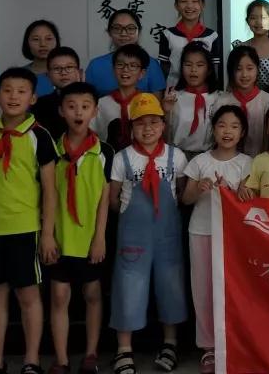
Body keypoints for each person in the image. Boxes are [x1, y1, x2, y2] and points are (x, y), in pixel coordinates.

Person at [0, 67, 59, 374]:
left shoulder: (39, 136)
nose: (13, 96)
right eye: (7, 90)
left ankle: (32, 360)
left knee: (28, 295)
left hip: (24, 229)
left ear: (33, 98)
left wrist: (48, 233)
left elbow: (50, 190)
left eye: (21, 91)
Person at [109, 93, 188, 374]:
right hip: (133, 237)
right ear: (131, 127)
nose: (148, 128)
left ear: (163, 125)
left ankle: (170, 344)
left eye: (154, 122)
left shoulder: (176, 156)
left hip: (167, 234)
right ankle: (124, 349)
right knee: (128, 287)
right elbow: (113, 199)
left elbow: (181, 194)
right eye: (141, 123)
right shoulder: (122, 158)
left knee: (171, 286)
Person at [181, 106, 252, 374]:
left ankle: (233, 342)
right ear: (213, 129)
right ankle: (209, 347)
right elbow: (185, 199)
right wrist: (199, 189)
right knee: (203, 290)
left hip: (235, 236)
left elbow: (250, 200)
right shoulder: (199, 162)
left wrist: (234, 191)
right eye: (222, 125)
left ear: (242, 132)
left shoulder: (248, 163)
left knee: (235, 289)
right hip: (202, 231)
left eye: (234, 126)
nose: (227, 131)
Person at [49, 82, 114, 374]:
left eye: (85, 106)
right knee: (59, 297)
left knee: (92, 294)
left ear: (95, 111)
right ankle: (61, 359)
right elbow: (45, 196)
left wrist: (100, 238)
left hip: (90, 238)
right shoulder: (50, 149)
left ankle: (91, 354)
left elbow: (104, 199)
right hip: (59, 237)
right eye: (72, 106)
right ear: (61, 111)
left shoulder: (104, 152)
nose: (78, 112)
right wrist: (47, 235)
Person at [162, 42, 223, 158]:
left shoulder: (218, 97)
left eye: (200, 65)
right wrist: (166, 112)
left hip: (208, 157)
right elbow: (164, 133)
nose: (193, 69)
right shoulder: (172, 96)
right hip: (177, 156)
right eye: (188, 64)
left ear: (209, 69)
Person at [84, 9, 166, 95]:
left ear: (139, 31)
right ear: (109, 32)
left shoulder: (151, 64)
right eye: (117, 28)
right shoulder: (95, 65)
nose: (123, 33)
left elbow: (156, 101)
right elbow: (86, 99)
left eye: (130, 28)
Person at [158, 0, 222, 87]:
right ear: (176, 6)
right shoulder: (168, 34)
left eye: (194, 1)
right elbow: (164, 67)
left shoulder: (212, 36)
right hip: (174, 88)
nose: (189, 6)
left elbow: (214, 69)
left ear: (202, 5)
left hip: (203, 89)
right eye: (183, 1)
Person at [217, 46, 269, 157]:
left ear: (257, 69)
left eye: (249, 68)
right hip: (227, 160)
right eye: (238, 69)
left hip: (259, 161)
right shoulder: (222, 101)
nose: (244, 74)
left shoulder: (267, 101)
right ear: (231, 71)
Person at [93, 44, 151, 151]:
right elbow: (91, 134)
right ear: (113, 69)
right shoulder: (101, 103)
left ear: (141, 73)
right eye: (120, 64)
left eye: (133, 65)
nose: (125, 69)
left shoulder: (149, 103)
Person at [234, 0, 269, 95]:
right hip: (240, 99)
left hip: (267, 100)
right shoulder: (239, 47)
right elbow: (232, 83)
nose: (258, 22)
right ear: (247, 21)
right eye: (253, 18)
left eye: (263, 18)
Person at [31, 46, 83, 139]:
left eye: (69, 67)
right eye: (56, 68)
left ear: (79, 72)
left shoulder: (91, 101)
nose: (63, 72)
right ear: (48, 75)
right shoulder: (40, 105)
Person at [21, 19, 60, 97]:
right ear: (27, 43)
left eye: (48, 39)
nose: (43, 44)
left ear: (56, 42)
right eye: (36, 39)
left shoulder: (67, 73)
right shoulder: (19, 75)